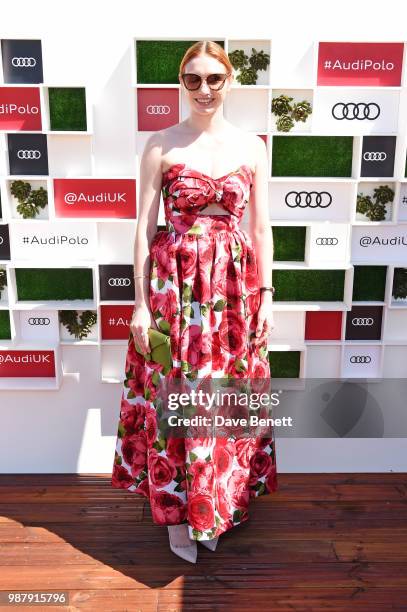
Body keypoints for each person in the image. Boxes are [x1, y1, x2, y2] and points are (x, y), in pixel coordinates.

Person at [111, 40, 278, 563]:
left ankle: (214, 505)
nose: (204, 89)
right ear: (182, 84)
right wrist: (140, 304)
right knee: (175, 394)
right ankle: (177, 511)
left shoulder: (252, 146)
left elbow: (261, 226)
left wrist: (267, 295)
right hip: (173, 290)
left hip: (232, 290)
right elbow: (142, 228)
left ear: (229, 82)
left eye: (214, 79)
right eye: (193, 80)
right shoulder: (161, 144)